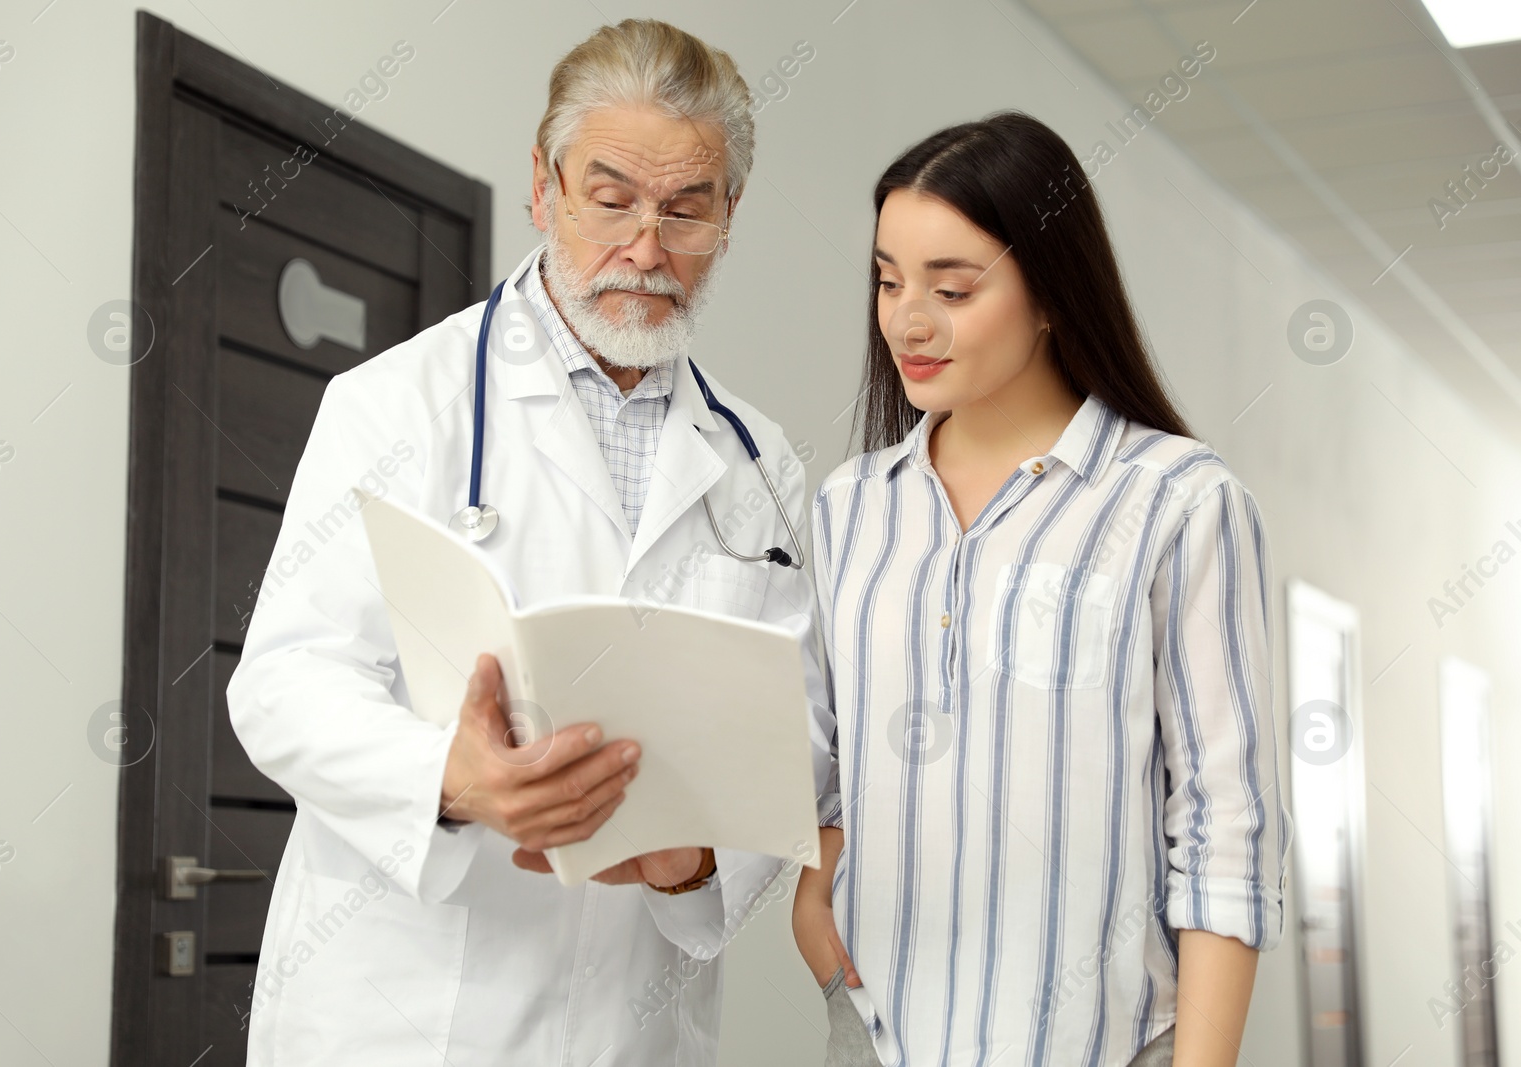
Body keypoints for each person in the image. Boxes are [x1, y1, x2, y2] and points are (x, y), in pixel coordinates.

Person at [228, 19, 832, 1066]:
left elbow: (795, 728)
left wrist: (699, 861)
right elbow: (283, 679)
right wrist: (450, 778)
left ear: (728, 216)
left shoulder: (762, 461)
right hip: (404, 1016)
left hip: (638, 1021)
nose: (645, 249)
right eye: (611, 200)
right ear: (544, 188)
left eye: (685, 209)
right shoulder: (395, 402)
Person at [791, 111, 1291, 1067]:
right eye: (888, 281)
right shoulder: (851, 508)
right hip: (881, 1038)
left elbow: (1227, 823)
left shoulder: (1178, 503)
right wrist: (814, 896)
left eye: (953, 287)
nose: (908, 318)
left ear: (1053, 292)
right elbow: (827, 760)